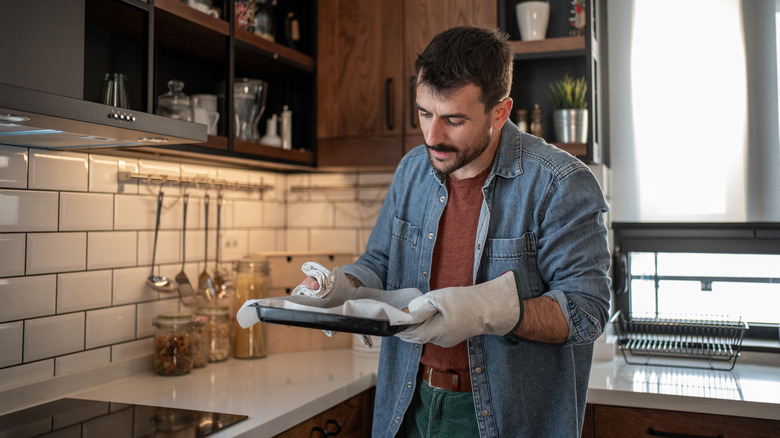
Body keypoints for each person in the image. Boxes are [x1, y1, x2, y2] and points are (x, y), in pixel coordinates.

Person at [300, 26, 611, 437]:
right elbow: (380, 262)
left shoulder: (560, 183)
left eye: (453, 120)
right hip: (408, 404)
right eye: (424, 113)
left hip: (502, 420)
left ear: (499, 112)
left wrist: (488, 311)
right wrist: (340, 286)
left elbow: (587, 311)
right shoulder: (412, 169)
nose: (432, 136)